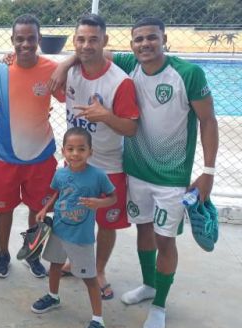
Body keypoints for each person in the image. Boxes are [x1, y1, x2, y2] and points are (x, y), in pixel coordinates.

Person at [114, 17, 218, 328]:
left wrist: (208, 173)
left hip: (172, 179)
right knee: (143, 229)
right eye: (139, 39)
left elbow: (209, 121)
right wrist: (64, 67)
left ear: (164, 39)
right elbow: (89, 51)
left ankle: (159, 305)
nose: (145, 44)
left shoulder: (187, 73)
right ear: (131, 44)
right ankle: (148, 285)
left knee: (165, 239)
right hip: (136, 170)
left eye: (151, 38)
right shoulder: (127, 63)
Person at [61, 14, 139, 301]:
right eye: (81, 39)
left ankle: (100, 269)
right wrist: (64, 64)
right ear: (74, 42)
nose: (86, 45)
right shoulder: (70, 73)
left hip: (108, 167)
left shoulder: (121, 82)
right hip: (76, 164)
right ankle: (76, 260)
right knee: (74, 217)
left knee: (107, 223)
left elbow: (131, 128)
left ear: (105, 41)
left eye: (94, 39)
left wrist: (106, 116)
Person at [0, 14, 65, 278]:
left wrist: (68, 64)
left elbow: (69, 98)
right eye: (20, 39)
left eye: (31, 38)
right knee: (3, 209)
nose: (26, 44)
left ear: (39, 39)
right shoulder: (0, 70)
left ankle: (31, 253)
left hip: (41, 156)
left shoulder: (52, 69)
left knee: (38, 211)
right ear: (12, 41)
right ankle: (4, 253)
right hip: (6, 157)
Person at [32, 127, 116, 328]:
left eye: (81, 149)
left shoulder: (97, 176)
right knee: (55, 266)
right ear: (63, 151)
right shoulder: (60, 173)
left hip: (81, 238)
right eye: (70, 149)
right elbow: (57, 193)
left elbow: (113, 198)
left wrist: (100, 202)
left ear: (90, 152)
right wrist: (44, 209)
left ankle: (98, 320)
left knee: (89, 278)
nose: (75, 154)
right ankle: (53, 296)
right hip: (59, 231)